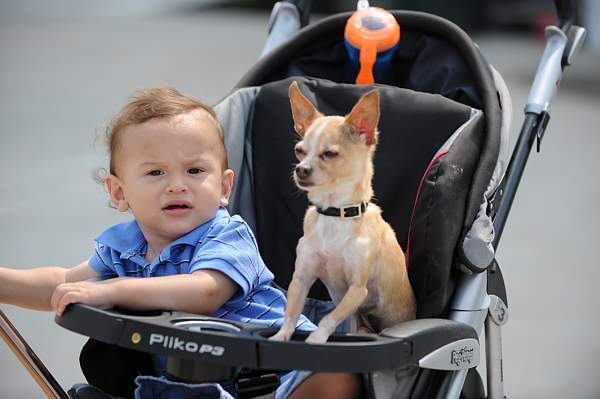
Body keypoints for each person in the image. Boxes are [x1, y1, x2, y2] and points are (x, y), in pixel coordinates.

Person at [0, 86, 360, 399]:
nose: (177, 184)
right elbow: (62, 282)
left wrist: (111, 291)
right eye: (156, 172)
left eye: (194, 170)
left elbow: (205, 291)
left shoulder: (226, 234)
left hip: (278, 370)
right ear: (119, 192)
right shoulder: (124, 246)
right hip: (189, 382)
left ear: (223, 188)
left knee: (333, 374)